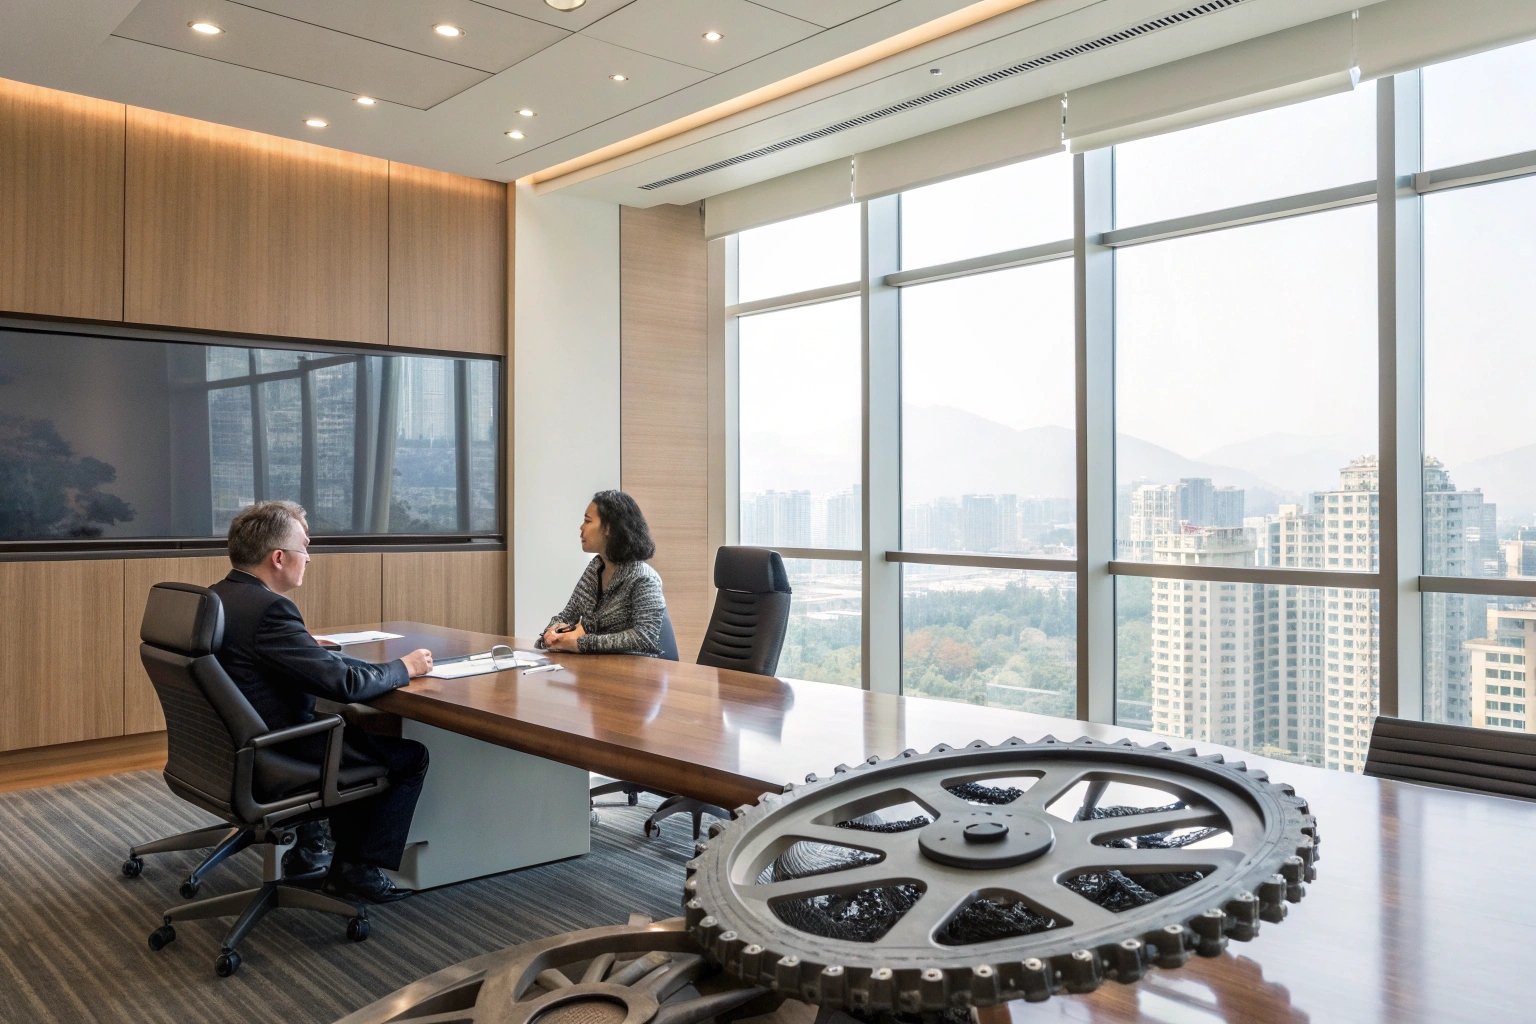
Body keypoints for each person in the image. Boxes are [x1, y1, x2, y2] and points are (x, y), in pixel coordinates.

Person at [210, 500, 433, 904]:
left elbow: (251, 654)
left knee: (353, 732)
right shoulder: (272, 611)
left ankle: (309, 850)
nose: (309, 558)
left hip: (228, 747)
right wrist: (405, 667)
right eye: (305, 548)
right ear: (279, 558)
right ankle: (356, 872)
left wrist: (299, 646)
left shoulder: (219, 598)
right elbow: (346, 683)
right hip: (277, 751)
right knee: (408, 757)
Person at [540, 490, 666, 657]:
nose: (581, 527)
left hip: (633, 675)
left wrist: (580, 643)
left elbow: (646, 638)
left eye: (587, 521)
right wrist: (553, 631)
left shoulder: (644, 578)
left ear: (608, 528)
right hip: (594, 668)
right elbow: (567, 615)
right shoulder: (595, 568)